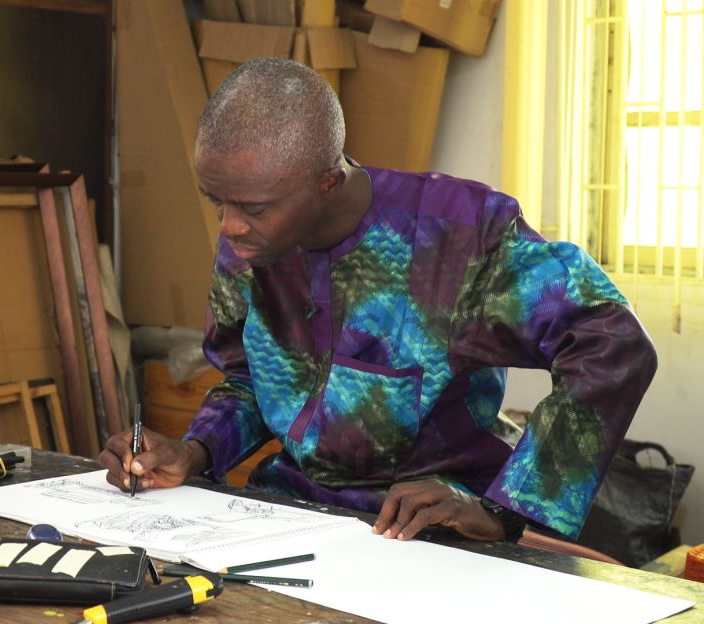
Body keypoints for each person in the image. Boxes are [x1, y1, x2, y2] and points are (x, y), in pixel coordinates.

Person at [100, 58, 657, 543]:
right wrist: (194, 452)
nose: (229, 226)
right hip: (292, 513)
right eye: (215, 200)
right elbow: (250, 380)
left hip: (435, 534)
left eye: (252, 206)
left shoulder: (461, 236)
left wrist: (500, 510)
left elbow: (613, 343)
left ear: (328, 181)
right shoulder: (253, 244)